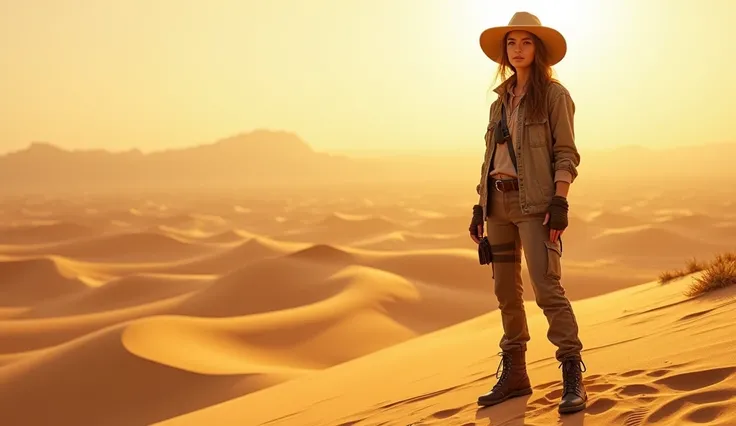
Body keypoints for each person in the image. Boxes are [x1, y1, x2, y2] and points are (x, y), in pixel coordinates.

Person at [468, 11, 587, 414]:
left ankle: (572, 371)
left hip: (536, 205)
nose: (518, 50)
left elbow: (566, 153)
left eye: (526, 42)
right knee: (505, 293)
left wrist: (560, 200)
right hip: (497, 205)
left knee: (547, 288)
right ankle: (515, 374)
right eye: (512, 43)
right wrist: (478, 207)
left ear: (538, 50)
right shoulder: (499, 103)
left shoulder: (555, 96)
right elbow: (491, 157)